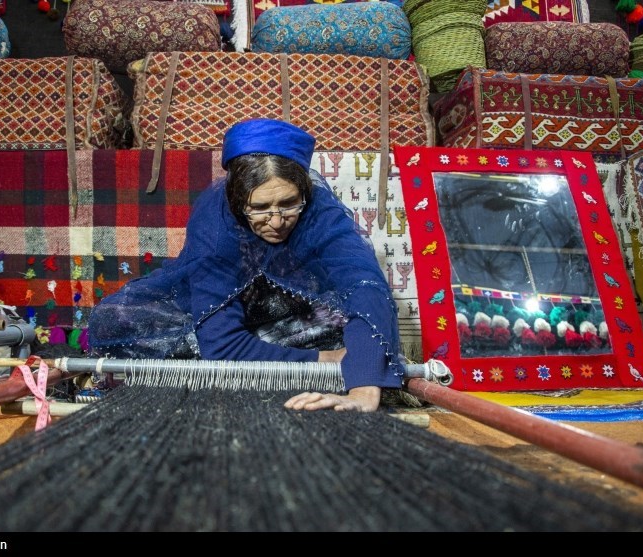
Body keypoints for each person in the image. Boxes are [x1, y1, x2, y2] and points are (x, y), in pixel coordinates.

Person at [87, 118, 405, 412]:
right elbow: (221, 345)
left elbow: (365, 286)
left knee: (367, 334)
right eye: (260, 208)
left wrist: (363, 389)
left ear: (303, 193)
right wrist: (325, 359)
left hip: (292, 316)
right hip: (233, 316)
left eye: (288, 203)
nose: (277, 221)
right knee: (115, 321)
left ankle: (323, 360)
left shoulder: (319, 211)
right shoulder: (215, 225)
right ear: (238, 203)